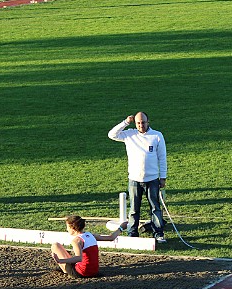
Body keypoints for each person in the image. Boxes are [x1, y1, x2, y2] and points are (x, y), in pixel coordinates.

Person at [108, 112, 167, 243]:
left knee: (155, 207)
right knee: (134, 208)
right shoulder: (129, 134)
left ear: (148, 122)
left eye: (143, 122)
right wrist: (125, 122)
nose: (141, 125)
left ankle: (158, 232)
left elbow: (162, 158)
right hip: (134, 179)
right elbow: (112, 135)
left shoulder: (157, 136)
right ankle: (132, 233)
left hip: (152, 179)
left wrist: (163, 177)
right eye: (138, 123)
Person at [51, 216, 127, 278]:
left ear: (72, 228)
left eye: (67, 227)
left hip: (82, 272)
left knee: (55, 246)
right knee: (70, 257)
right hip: (94, 271)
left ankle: (66, 271)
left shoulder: (76, 241)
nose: (66, 229)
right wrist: (121, 228)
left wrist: (60, 260)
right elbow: (111, 238)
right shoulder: (90, 235)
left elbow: (78, 258)